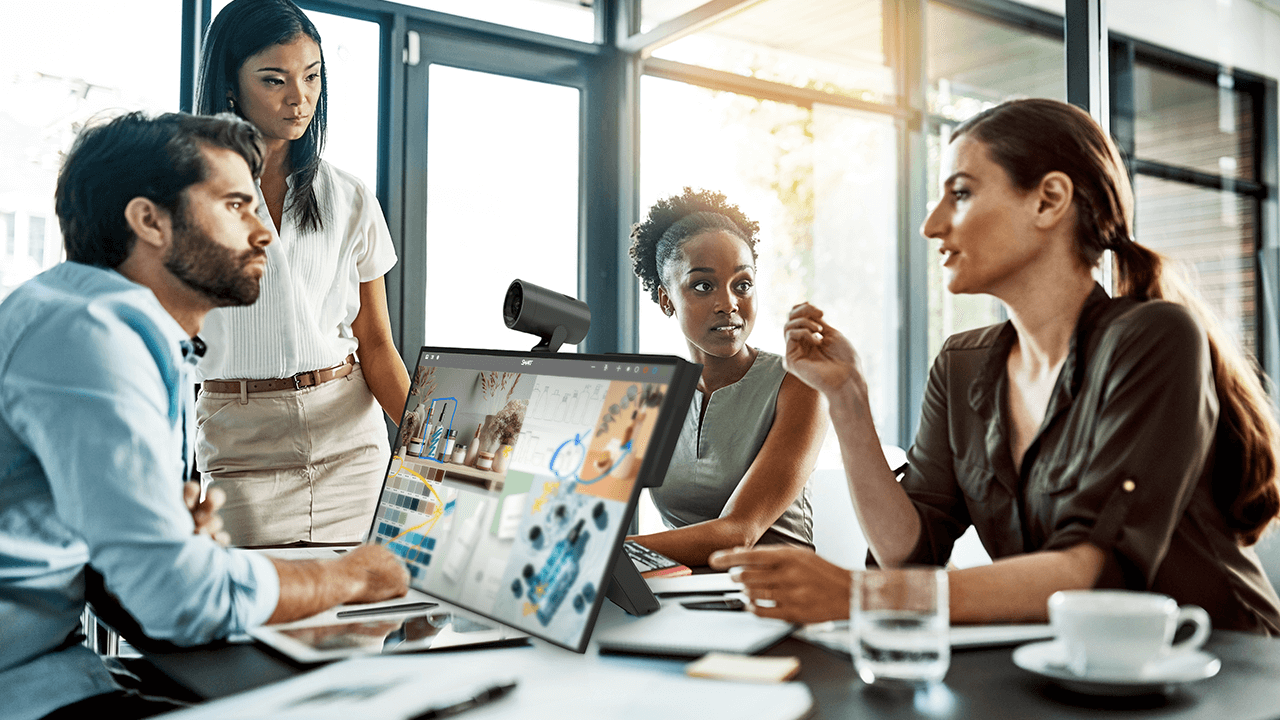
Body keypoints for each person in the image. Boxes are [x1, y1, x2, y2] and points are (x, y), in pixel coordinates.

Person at [711, 98, 1280, 633]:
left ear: (1048, 200)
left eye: (959, 193)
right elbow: (912, 553)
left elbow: (1097, 571)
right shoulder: (962, 365)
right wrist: (847, 400)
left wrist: (865, 596)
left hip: (1226, 666)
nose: (931, 224)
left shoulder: (1153, 340)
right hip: (1074, 669)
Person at [0, 111, 408, 720]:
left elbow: (131, 581)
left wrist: (167, 538)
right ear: (149, 221)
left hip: (49, 661)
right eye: (237, 206)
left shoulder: (84, 315)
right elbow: (177, 601)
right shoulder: (90, 339)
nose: (264, 230)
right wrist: (354, 577)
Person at [191, 0, 410, 546]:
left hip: (349, 441)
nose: (300, 97)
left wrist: (432, 451)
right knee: (257, 621)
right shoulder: (186, 197)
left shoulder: (350, 195)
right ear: (230, 85)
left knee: (359, 624)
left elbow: (377, 344)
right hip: (240, 445)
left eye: (312, 77)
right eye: (275, 80)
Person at [625, 188, 826, 567]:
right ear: (667, 299)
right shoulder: (650, 394)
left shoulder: (798, 385)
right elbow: (589, 501)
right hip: (675, 597)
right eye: (703, 286)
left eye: (742, 284)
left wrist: (609, 550)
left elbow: (739, 532)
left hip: (772, 597)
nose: (729, 304)